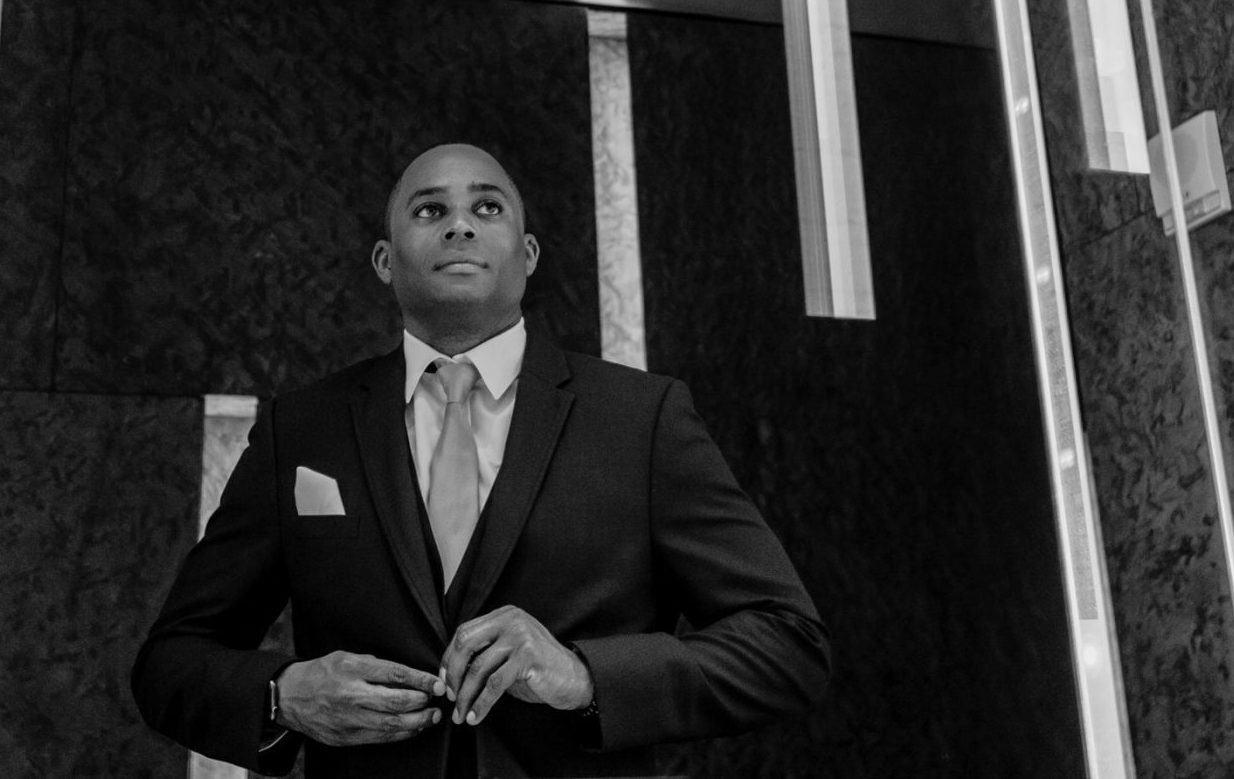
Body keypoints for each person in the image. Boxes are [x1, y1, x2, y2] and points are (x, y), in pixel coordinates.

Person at [131, 143, 829, 778]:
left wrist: (586, 676)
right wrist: (284, 696)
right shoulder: (301, 429)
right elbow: (169, 663)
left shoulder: (642, 419)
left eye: (486, 207)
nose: (459, 224)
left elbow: (787, 644)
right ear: (384, 259)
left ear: (526, 254)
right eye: (430, 208)